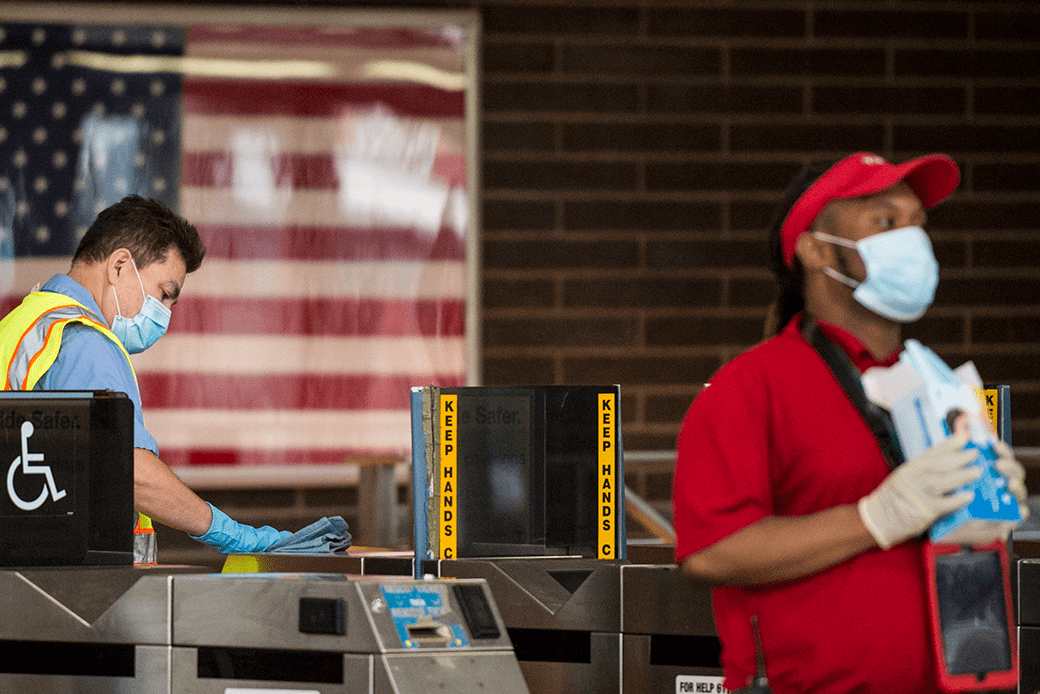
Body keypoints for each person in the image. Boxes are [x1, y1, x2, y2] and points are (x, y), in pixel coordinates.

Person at [672, 152, 1028, 693]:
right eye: (886, 222)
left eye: (917, 224)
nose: (912, 239)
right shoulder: (748, 388)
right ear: (816, 250)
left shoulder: (936, 382)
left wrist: (987, 512)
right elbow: (711, 551)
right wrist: (875, 517)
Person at [0, 195, 291, 556]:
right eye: (164, 294)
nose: (165, 315)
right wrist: (228, 532)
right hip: (69, 583)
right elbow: (127, 469)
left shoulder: (26, 322)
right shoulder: (84, 341)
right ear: (119, 265)